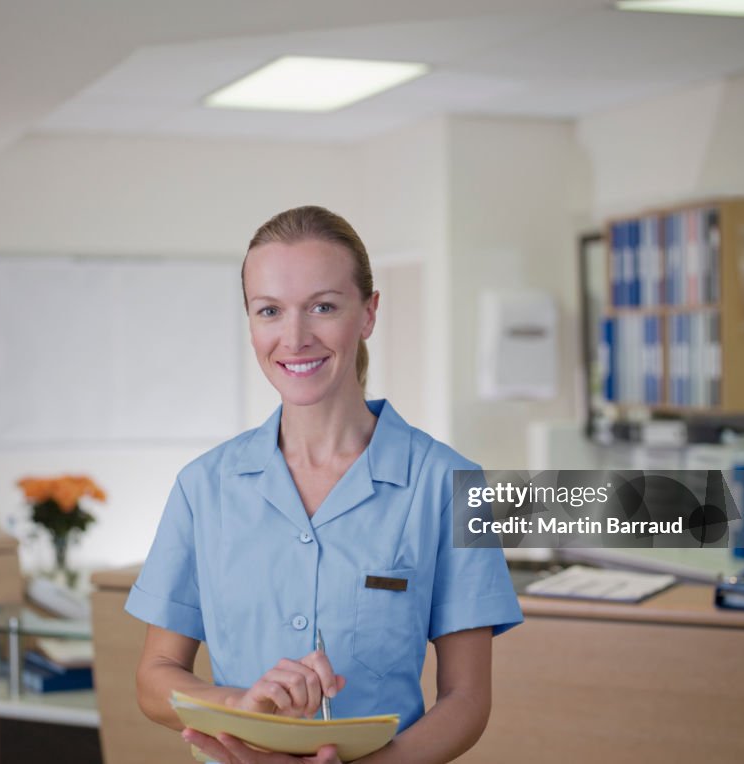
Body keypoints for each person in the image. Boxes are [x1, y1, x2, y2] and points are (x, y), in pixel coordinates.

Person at [126, 205, 522, 763]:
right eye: (270, 311)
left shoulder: (451, 484)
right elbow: (154, 679)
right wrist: (242, 705)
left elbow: (467, 699)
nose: (295, 337)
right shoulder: (203, 488)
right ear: (250, 322)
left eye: (323, 307)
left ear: (368, 314)